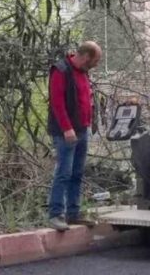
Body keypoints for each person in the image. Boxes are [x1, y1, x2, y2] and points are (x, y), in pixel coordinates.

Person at [47, 41, 102, 232]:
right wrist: (66, 128)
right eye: (95, 60)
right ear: (86, 56)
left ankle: (73, 213)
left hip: (82, 129)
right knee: (64, 173)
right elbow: (57, 102)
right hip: (66, 132)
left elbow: (85, 99)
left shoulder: (83, 72)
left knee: (77, 173)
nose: (96, 64)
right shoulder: (61, 70)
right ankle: (56, 214)